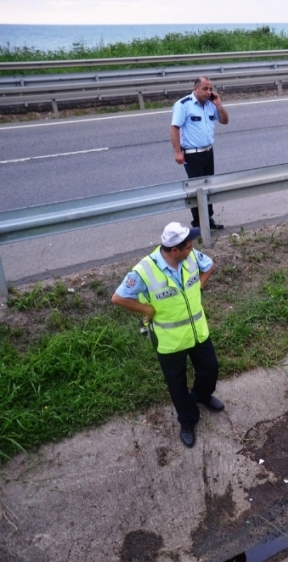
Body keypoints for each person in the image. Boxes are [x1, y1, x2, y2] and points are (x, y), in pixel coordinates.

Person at [112, 222, 225, 448]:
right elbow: (119, 297)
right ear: (175, 250)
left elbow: (209, 265)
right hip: (170, 340)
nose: (193, 248)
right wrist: (147, 310)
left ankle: (202, 395)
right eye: (189, 245)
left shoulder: (190, 257)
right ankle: (188, 420)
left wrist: (199, 287)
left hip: (197, 332)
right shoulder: (144, 271)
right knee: (177, 384)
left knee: (210, 368)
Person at [170, 76, 230, 230]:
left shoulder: (211, 105)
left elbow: (224, 120)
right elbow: (174, 128)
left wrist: (218, 104)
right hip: (192, 154)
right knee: (196, 189)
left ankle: (208, 220)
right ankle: (198, 224)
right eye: (205, 88)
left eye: (210, 89)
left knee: (208, 187)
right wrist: (178, 152)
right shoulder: (183, 105)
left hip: (208, 152)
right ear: (195, 88)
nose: (208, 92)